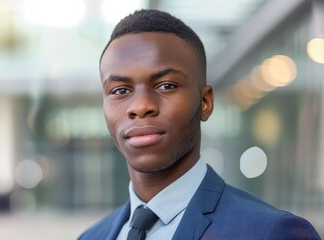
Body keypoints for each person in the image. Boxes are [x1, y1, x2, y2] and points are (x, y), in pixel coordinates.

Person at [78, 9, 321, 240]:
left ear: (205, 102)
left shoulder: (271, 233)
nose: (141, 106)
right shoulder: (91, 237)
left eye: (166, 86)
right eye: (120, 90)